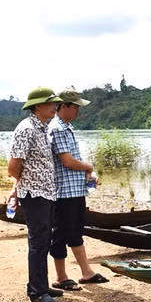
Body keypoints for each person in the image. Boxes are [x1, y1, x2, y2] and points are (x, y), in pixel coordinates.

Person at [7, 87, 63, 302]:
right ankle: (37, 293)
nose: (55, 107)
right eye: (52, 104)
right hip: (34, 194)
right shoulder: (26, 129)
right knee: (38, 243)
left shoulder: (43, 128)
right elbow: (13, 166)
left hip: (46, 192)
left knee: (44, 241)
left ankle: (42, 284)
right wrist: (22, 186)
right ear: (38, 105)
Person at [48, 86, 109, 290]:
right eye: (75, 107)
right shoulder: (57, 128)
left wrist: (88, 174)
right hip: (64, 193)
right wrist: (89, 166)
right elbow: (67, 161)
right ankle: (61, 277)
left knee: (75, 232)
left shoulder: (66, 127)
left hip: (75, 191)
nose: (78, 111)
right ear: (63, 106)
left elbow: (73, 161)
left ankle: (86, 272)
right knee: (60, 234)